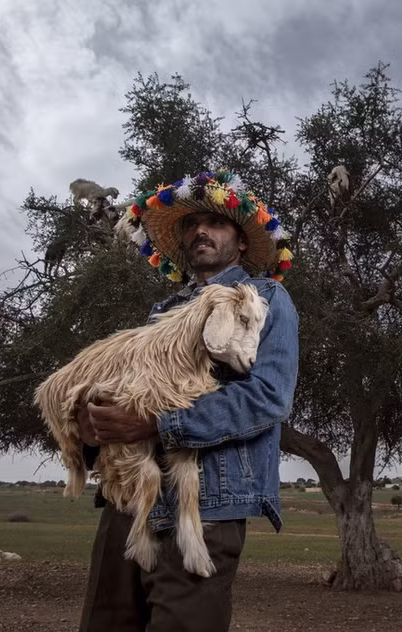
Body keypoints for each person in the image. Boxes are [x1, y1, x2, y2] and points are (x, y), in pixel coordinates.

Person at [74, 170, 299, 631]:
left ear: (241, 241)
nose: (201, 231)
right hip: (128, 500)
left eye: (215, 222)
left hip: (203, 508)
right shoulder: (162, 313)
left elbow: (267, 397)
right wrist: (94, 428)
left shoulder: (266, 298)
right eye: (192, 223)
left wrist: (156, 424)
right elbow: (134, 394)